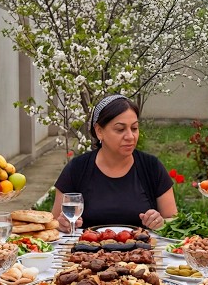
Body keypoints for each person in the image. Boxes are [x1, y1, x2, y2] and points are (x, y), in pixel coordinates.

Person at [51, 94, 177, 230]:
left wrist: (161, 223)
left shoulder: (151, 167)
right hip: (87, 250)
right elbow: (54, 223)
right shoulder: (77, 169)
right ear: (99, 131)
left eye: (134, 128)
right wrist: (62, 224)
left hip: (142, 250)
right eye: (120, 129)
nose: (130, 136)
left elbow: (174, 221)